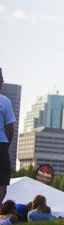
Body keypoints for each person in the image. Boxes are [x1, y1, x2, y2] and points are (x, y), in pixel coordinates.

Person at [0, 68, 16, 204]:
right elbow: (10, 128)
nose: (3, 81)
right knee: (2, 184)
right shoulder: (4, 101)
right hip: (1, 144)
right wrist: (7, 144)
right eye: (1, 78)